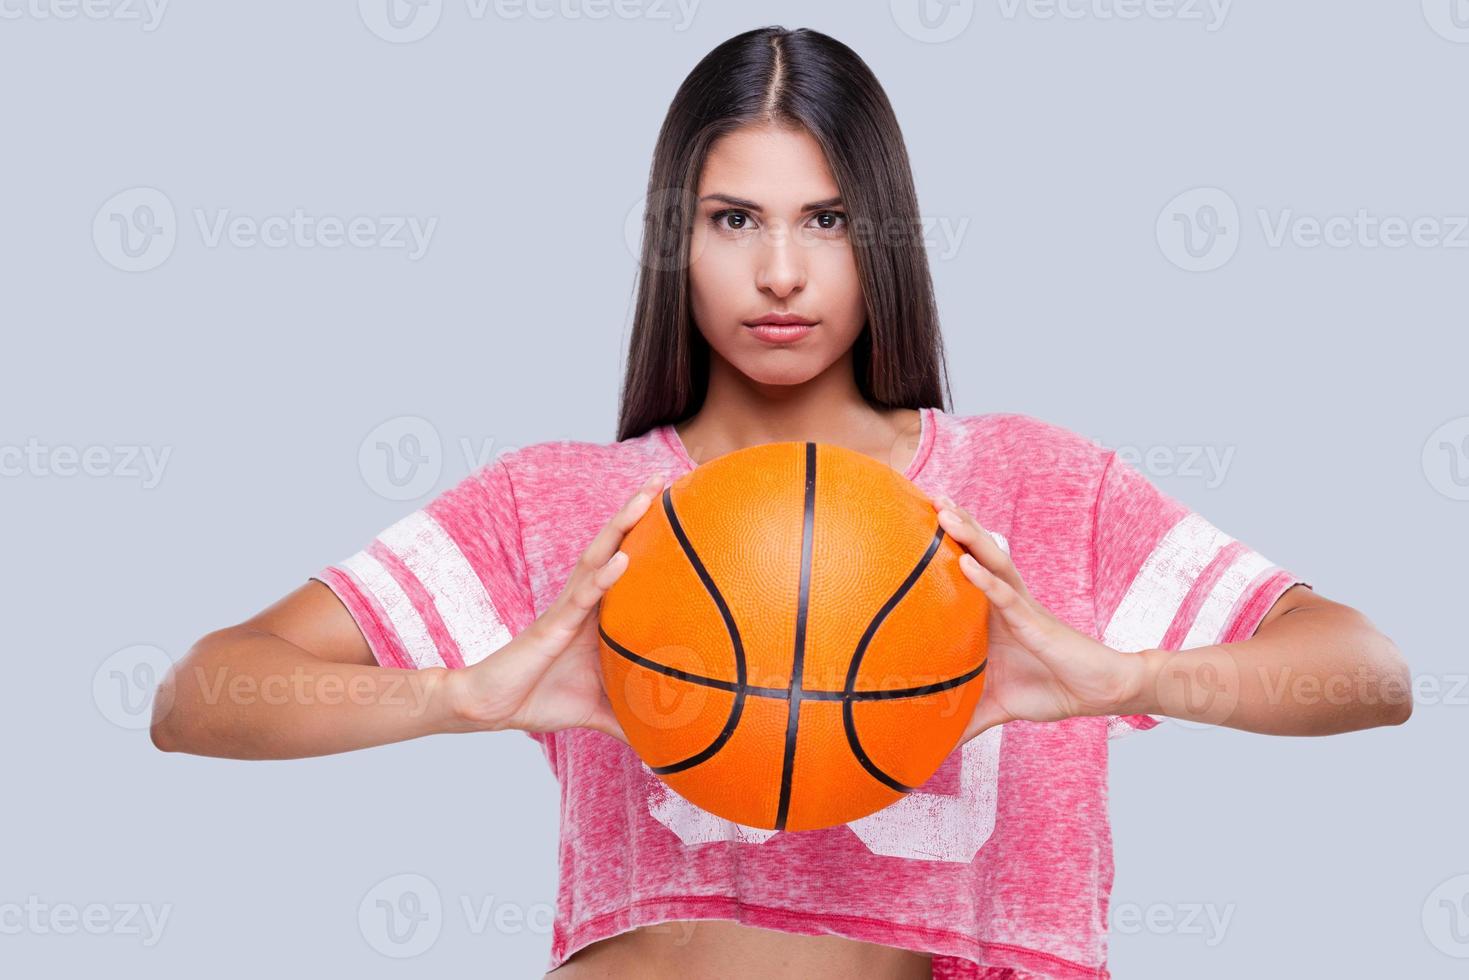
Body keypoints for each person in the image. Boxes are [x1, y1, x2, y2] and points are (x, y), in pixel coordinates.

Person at [149, 25, 1412, 980]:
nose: (777, 270)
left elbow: (1362, 668)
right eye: (730, 217)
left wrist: (1120, 676)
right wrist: (455, 696)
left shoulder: (1031, 488)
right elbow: (202, 693)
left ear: (887, 238)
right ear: (672, 239)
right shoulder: (567, 510)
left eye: (828, 217)